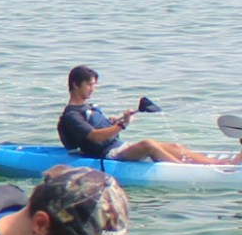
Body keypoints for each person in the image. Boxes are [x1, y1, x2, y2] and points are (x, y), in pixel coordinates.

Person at [58, 66, 238, 167]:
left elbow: (101, 129)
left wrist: (115, 122)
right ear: (75, 84)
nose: (93, 88)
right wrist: (122, 126)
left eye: (94, 85)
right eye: (89, 85)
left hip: (118, 146)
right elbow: (95, 136)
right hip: (108, 154)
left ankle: (224, 163)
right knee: (148, 144)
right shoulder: (71, 115)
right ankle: (186, 171)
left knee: (175, 146)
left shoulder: (88, 107)